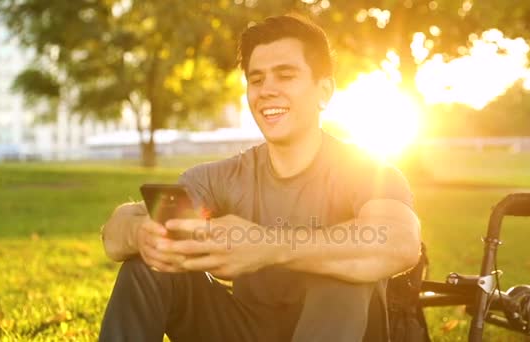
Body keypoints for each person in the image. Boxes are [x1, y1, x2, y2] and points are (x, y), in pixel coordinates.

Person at [99, 14, 421, 342]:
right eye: (256, 79)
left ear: (324, 91)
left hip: (342, 329)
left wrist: (266, 245)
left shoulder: (370, 172)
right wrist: (141, 234)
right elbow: (114, 233)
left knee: (341, 276)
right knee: (147, 268)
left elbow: (400, 242)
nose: (267, 90)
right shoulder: (221, 177)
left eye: (285, 75)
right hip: (246, 330)